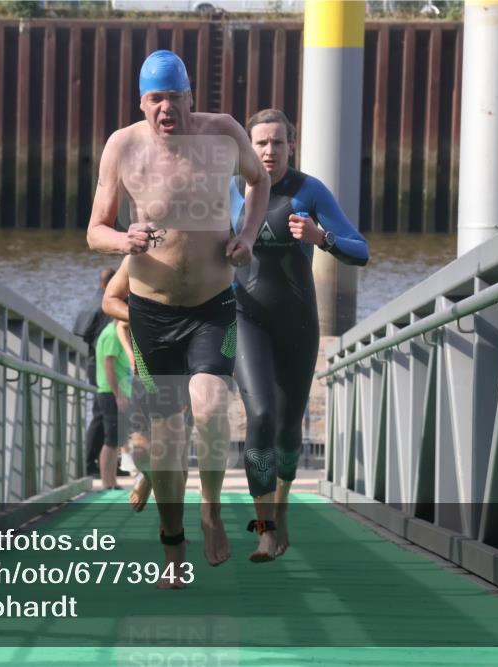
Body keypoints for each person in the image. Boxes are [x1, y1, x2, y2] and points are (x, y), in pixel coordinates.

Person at [87, 50, 270, 587]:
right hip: (153, 314)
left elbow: (258, 182)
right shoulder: (123, 147)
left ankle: (210, 510)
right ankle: (174, 552)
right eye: (155, 99)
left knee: (212, 405)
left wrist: (247, 235)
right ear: (142, 103)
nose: (167, 109)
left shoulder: (223, 134)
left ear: (192, 95)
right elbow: (95, 228)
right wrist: (124, 238)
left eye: (175, 97)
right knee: (166, 445)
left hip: (213, 306)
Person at [233, 109, 369, 562]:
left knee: (289, 431)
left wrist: (320, 235)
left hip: (298, 321)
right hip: (245, 317)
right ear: (247, 147)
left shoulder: (309, 191)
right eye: (260, 143)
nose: (268, 152)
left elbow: (360, 250)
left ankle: (283, 505)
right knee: (261, 415)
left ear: (292, 145)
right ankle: (265, 530)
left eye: (277, 143)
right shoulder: (231, 189)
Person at [72, 268, 116, 476]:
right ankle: (91, 464)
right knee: (102, 414)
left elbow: (80, 336)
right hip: (103, 365)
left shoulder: (88, 306)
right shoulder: (107, 307)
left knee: (101, 413)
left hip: (92, 362)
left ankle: (101, 464)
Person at [95, 316, 133, 489]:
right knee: (110, 439)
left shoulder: (116, 333)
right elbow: (108, 366)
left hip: (117, 391)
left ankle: (112, 481)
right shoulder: (111, 334)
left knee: (115, 438)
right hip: (110, 392)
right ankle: (106, 482)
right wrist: (118, 395)